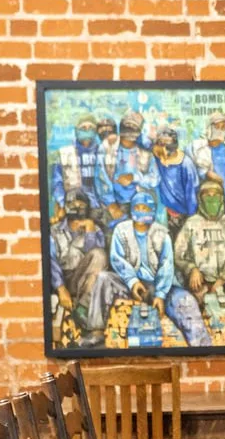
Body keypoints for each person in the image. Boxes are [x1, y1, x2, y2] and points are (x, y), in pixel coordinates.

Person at [92, 190, 211, 347]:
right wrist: (132, 281)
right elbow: (116, 258)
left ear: (152, 211)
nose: (141, 211)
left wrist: (161, 295)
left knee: (186, 301)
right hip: (130, 284)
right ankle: (96, 332)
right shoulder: (121, 230)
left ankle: (201, 346)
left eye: (145, 208)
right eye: (138, 207)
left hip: (159, 286)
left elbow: (166, 266)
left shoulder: (162, 234)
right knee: (103, 278)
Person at [48, 190, 108, 345]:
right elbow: (51, 261)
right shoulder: (54, 231)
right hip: (60, 280)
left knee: (99, 255)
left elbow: (97, 263)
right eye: (73, 204)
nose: (77, 207)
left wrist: (90, 232)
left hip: (83, 281)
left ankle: (82, 311)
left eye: (81, 204)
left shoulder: (96, 230)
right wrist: (60, 288)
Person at [174, 177, 225, 307]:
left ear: (222, 199)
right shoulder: (191, 223)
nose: (212, 200)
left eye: (216, 196)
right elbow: (178, 254)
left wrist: (220, 282)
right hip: (197, 282)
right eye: (207, 196)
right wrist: (192, 269)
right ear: (200, 199)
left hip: (224, 281)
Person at [94, 109, 161, 221]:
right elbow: (101, 177)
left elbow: (155, 179)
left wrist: (134, 177)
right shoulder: (107, 147)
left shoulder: (146, 151)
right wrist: (111, 204)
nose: (130, 129)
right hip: (114, 205)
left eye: (134, 126)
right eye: (127, 125)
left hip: (141, 203)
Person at [188, 109, 225, 226]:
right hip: (204, 201)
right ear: (209, 127)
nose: (220, 130)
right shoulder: (197, 148)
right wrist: (206, 174)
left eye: (224, 127)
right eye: (217, 126)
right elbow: (190, 170)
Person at [49, 111, 103, 216]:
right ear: (76, 130)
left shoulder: (101, 152)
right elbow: (57, 182)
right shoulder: (66, 153)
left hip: (97, 206)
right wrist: (62, 203)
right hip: (74, 206)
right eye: (83, 127)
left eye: (90, 127)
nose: (87, 130)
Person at [153, 123, 201, 238]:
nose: (164, 148)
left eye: (167, 145)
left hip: (182, 214)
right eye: (161, 144)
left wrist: (191, 218)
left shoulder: (186, 165)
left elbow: (191, 195)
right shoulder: (158, 157)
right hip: (164, 212)